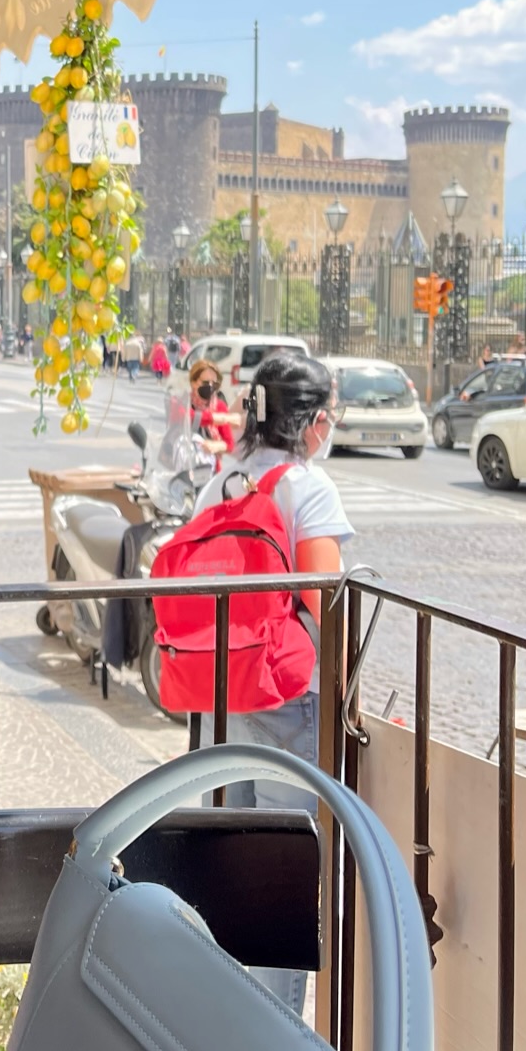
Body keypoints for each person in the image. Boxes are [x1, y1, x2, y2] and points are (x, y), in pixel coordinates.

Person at [191, 351, 352, 1015]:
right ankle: (275, 1043)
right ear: (312, 421)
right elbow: (326, 598)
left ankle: (227, 1034)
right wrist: (350, 696)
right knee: (286, 889)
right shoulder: (306, 486)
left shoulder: (223, 479)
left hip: (219, 697)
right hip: (288, 699)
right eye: (329, 415)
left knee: (229, 876)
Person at [187, 355, 241, 474]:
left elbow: (229, 444)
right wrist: (223, 418)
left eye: (214, 384)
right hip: (184, 468)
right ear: (193, 383)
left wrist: (215, 446)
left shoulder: (219, 406)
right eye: (206, 382)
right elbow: (190, 417)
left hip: (210, 470)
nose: (210, 387)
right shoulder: (182, 401)